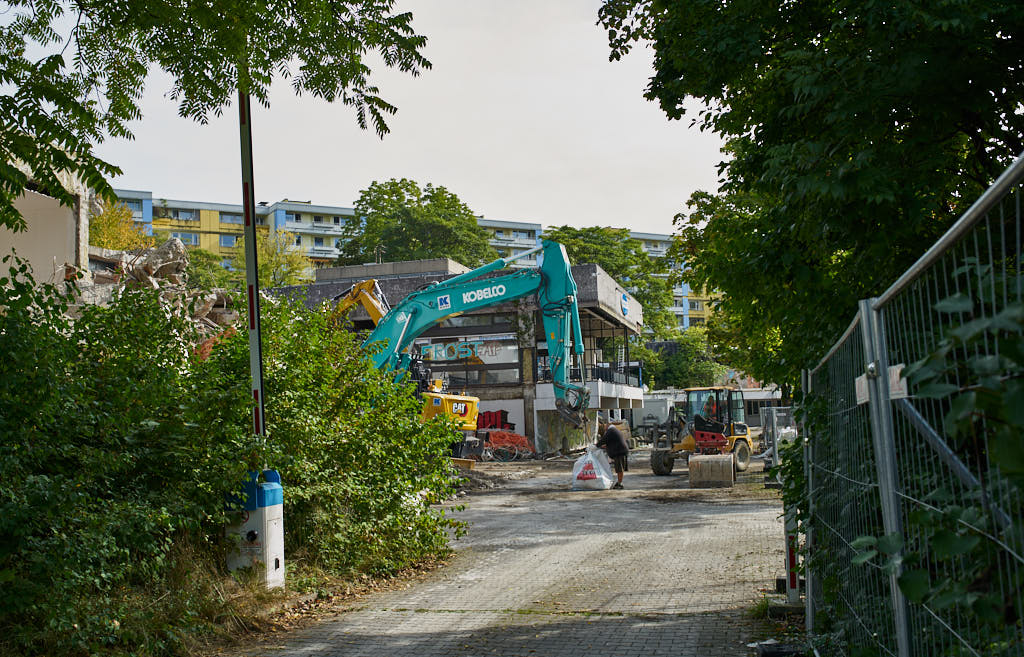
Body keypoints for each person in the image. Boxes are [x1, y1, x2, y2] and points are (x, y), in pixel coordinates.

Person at [596, 414, 630, 490]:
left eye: (605, 426)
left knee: (619, 468)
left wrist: (596, 446)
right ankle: (619, 482)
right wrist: (605, 446)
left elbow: (604, 440)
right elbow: (611, 441)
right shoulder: (614, 430)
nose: (604, 427)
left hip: (619, 452)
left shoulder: (610, 431)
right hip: (621, 450)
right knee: (619, 468)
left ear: (608, 425)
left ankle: (620, 483)